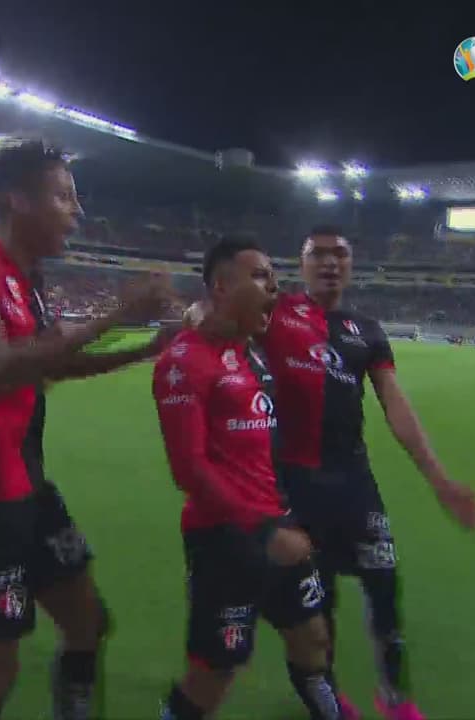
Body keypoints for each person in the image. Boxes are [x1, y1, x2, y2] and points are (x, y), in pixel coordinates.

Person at [0, 139, 174, 720]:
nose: (76, 211)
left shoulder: (25, 279)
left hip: (25, 483)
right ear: (17, 199)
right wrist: (115, 315)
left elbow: (50, 364)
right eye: (63, 196)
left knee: (87, 622)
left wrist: (146, 348)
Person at [258, 228, 475, 720]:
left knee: (384, 589)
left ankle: (395, 698)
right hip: (293, 486)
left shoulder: (368, 331)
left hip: (354, 484)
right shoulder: (274, 313)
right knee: (318, 604)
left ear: (351, 265)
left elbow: (396, 408)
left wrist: (440, 480)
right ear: (301, 263)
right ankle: (329, 697)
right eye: (318, 254)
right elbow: (223, 317)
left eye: (340, 254)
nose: (330, 262)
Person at [154, 237, 341, 720]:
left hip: (277, 522)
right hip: (226, 539)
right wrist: (264, 531)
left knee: (313, 638)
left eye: (274, 279)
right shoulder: (183, 362)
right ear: (220, 285)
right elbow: (189, 469)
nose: (273, 287)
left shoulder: (251, 352)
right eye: (259, 276)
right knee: (214, 674)